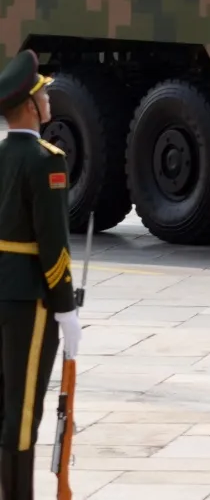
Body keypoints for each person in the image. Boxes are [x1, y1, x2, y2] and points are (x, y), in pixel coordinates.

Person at [0, 51, 77, 499]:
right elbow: (52, 242)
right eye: (43, 93)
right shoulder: (47, 160)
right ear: (30, 105)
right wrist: (65, 307)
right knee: (24, 409)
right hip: (30, 298)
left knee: (5, 406)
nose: (48, 98)